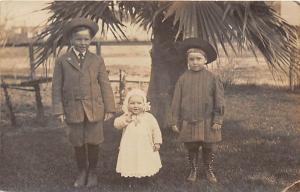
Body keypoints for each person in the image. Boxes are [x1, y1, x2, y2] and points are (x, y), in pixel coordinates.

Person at [52, 18, 116, 187]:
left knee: (94, 141)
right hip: (73, 108)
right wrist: (59, 110)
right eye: (79, 39)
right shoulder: (62, 61)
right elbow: (56, 87)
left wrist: (110, 107)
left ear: (90, 40)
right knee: (78, 141)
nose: (83, 43)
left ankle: (93, 171)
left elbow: (105, 84)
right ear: (71, 40)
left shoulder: (97, 60)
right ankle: (82, 171)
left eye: (86, 39)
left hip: (94, 108)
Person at [170, 38, 225, 183]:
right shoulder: (183, 79)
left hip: (208, 120)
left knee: (209, 146)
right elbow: (176, 101)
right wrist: (174, 120)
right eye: (191, 59)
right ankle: (193, 169)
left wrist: (218, 119)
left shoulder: (213, 78)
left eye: (198, 59)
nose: (195, 62)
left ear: (206, 60)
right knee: (192, 146)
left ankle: (208, 169)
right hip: (189, 120)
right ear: (187, 61)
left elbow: (219, 100)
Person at [114, 89, 162, 186]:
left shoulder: (149, 117)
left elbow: (156, 129)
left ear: (144, 104)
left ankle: (145, 177)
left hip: (145, 146)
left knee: (145, 160)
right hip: (129, 146)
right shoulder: (126, 116)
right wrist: (125, 120)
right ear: (127, 105)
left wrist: (157, 142)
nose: (135, 106)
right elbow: (116, 124)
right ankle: (130, 178)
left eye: (139, 103)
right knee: (130, 161)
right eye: (132, 103)